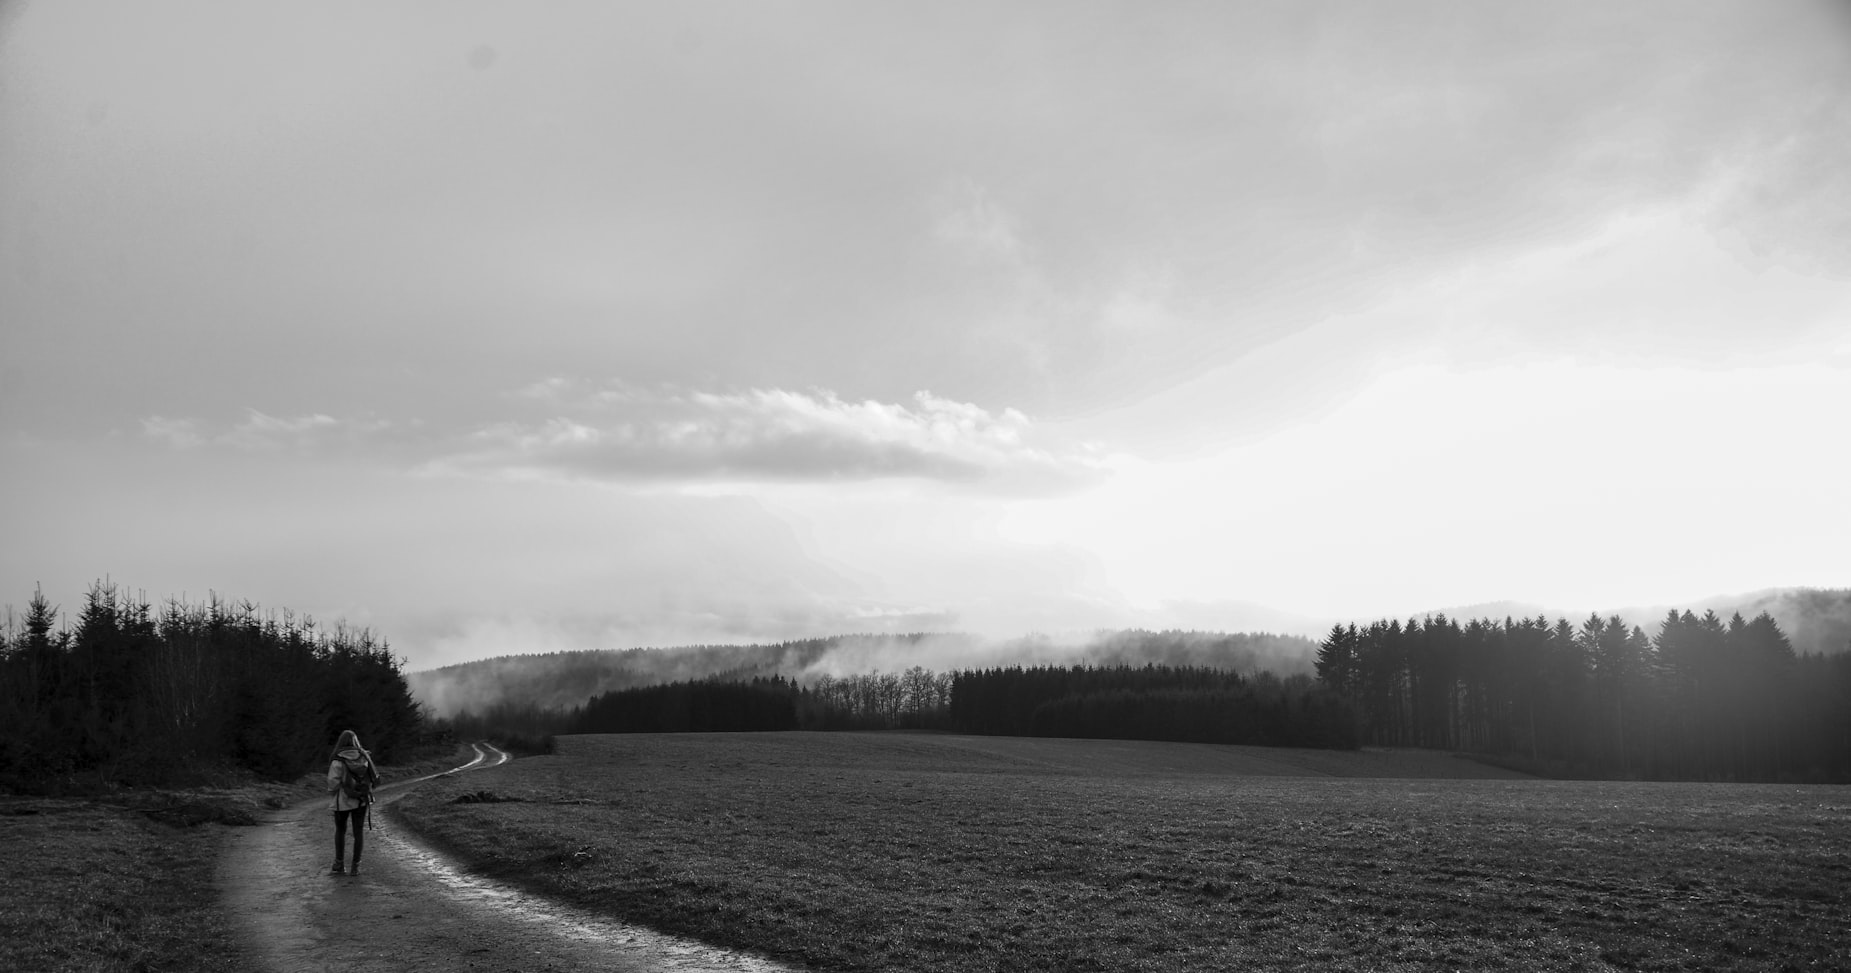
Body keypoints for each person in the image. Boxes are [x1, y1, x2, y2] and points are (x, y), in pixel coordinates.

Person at [326, 729, 379, 875]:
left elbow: (333, 783)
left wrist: (333, 792)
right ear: (356, 741)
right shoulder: (365, 757)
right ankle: (355, 867)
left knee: (340, 831)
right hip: (361, 800)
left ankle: (339, 864)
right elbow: (374, 777)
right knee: (358, 832)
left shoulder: (338, 759)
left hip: (342, 800)